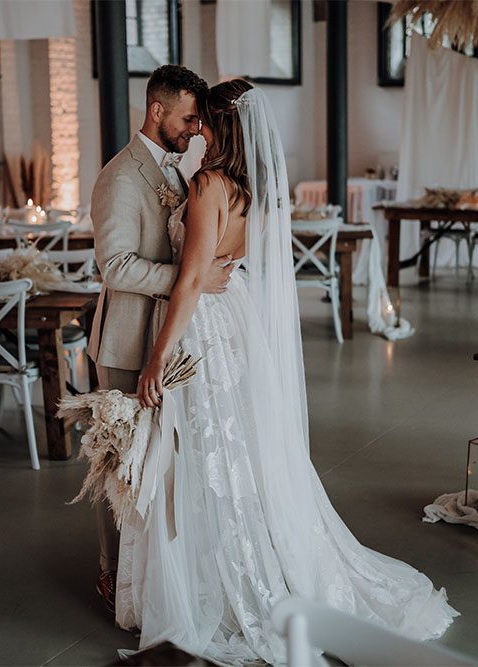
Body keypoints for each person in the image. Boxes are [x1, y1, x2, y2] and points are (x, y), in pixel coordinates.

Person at [117, 79, 458, 664]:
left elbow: (193, 279)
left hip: (203, 328)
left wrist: (156, 358)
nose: (195, 128)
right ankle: (247, 557)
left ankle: (218, 581)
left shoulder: (207, 185)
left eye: (203, 121)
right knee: (239, 450)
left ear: (221, 128)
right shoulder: (258, 191)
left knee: (204, 452)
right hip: (238, 325)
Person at [88, 65, 234, 611]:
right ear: (157, 110)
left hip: (161, 340)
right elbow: (117, 267)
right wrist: (190, 280)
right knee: (118, 462)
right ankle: (110, 573)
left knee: (156, 462)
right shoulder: (120, 178)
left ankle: (144, 575)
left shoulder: (176, 171)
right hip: (125, 342)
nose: (196, 129)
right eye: (189, 118)